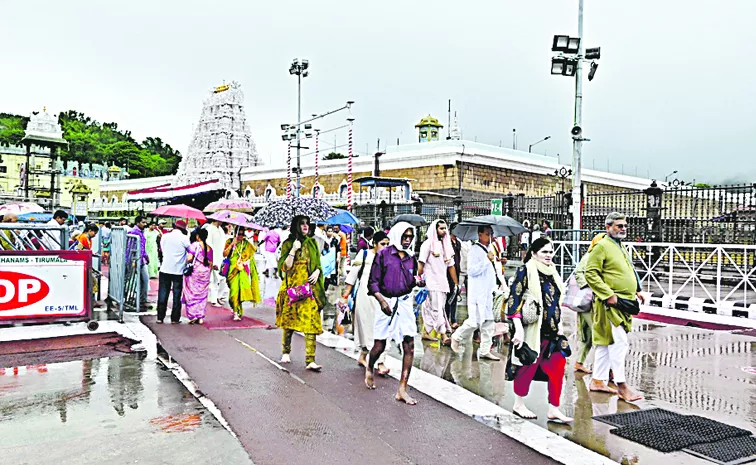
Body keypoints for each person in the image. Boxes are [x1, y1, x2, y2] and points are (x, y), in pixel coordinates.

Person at [507, 237, 572, 423]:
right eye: (544, 252)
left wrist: (559, 323)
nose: (549, 255)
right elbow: (514, 300)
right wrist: (518, 330)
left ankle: (554, 408)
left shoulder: (553, 273)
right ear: (534, 253)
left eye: (551, 251)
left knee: (558, 367)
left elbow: (557, 300)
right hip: (532, 330)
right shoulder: (525, 270)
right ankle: (518, 403)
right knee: (527, 367)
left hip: (552, 332)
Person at [584, 212, 644, 402]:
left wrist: (637, 289)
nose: (623, 229)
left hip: (623, 301)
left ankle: (597, 380)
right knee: (619, 343)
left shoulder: (619, 246)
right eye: (619, 226)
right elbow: (590, 273)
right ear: (608, 227)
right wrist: (607, 294)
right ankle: (621, 385)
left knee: (605, 342)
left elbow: (627, 269)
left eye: (625, 225)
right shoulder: (601, 246)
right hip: (611, 304)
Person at [366, 221, 425, 404]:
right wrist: (382, 301)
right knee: (380, 345)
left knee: (409, 344)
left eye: (410, 237)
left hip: (405, 303)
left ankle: (402, 389)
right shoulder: (383, 255)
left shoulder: (411, 258)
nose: (407, 240)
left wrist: (417, 282)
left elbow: (411, 279)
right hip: (386, 302)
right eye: (404, 236)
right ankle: (369, 366)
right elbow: (372, 283)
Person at [276, 216, 326, 371]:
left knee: (311, 323)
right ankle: (286, 351)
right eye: (302, 224)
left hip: (309, 289)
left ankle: (310, 360)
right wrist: (293, 250)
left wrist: (317, 272)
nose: (305, 226)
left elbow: (318, 264)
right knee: (289, 321)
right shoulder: (288, 244)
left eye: (307, 223)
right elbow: (285, 268)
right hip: (292, 288)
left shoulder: (312, 243)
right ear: (296, 226)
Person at [339, 231, 391, 374]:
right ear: (374, 243)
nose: (385, 247)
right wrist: (345, 296)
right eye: (382, 244)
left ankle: (381, 362)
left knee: (382, 329)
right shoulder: (365, 255)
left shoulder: (389, 258)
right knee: (367, 329)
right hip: (365, 298)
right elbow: (352, 277)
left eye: (387, 244)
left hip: (383, 300)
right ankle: (364, 356)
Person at [450, 224, 501, 360]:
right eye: (487, 234)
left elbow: (490, 270)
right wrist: (486, 260)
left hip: (488, 292)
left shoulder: (489, 249)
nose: (490, 237)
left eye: (491, 233)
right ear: (480, 235)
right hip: (477, 293)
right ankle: (456, 337)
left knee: (488, 323)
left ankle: (485, 350)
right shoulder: (474, 250)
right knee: (474, 322)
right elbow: (471, 271)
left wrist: (498, 261)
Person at [417, 219, 458, 345]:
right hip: (430, 282)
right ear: (435, 230)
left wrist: (456, 284)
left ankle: (426, 333)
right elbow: (421, 263)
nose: (444, 231)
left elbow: (451, 266)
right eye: (441, 228)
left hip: (442, 282)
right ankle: (444, 335)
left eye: (445, 228)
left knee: (436, 308)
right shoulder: (427, 244)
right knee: (436, 309)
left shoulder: (447, 246)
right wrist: (419, 278)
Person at [572, 233, 606, 374]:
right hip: (588, 302)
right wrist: (589, 288)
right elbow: (578, 272)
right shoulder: (590, 256)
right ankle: (606, 370)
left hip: (595, 301)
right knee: (598, 332)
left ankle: (579, 362)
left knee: (589, 334)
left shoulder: (601, 257)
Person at [157, 220, 190, 324]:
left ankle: (160, 317)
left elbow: (162, 250)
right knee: (176, 295)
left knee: (163, 293)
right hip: (178, 271)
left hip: (165, 268)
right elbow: (190, 251)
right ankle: (175, 318)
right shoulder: (185, 239)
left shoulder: (165, 236)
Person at [225, 227, 261, 321]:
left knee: (240, 291)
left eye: (242, 234)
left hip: (242, 270)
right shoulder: (229, 241)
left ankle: (236, 312)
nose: (240, 236)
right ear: (235, 234)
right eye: (239, 234)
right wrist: (232, 244)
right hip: (232, 270)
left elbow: (252, 253)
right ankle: (235, 309)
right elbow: (224, 254)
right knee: (234, 290)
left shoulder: (246, 244)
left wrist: (244, 260)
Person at [183, 228, 213, 324]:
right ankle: (200, 316)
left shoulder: (194, 245)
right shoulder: (209, 248)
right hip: (205, 274)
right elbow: (211, 264)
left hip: (195, 273)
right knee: (202, 296)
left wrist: (186, 262)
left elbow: (189, 258)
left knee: (192, 294)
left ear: (197, 236)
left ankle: (193, 315)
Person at [128, 216, 151, 311]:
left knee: (145, 279)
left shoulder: (141, 232)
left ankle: (142, 300)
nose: (145, 224)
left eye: (146, 222)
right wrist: (131, 260)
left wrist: (145, 256)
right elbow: (129, 247)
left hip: (141, 260)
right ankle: (121, 297)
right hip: (133, 260)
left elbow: (142, 247)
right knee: (127, 280)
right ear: (137, 222)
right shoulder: (133, 232)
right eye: (143, 222)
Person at [203, 219, 228, 306]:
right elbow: (208, 244)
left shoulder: (220, 229)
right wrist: (211, 260)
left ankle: (218, 296)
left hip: (221, 257)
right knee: (215, 279)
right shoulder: (210, 229)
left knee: (223, 278)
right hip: (214, 258)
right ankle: (214, 300)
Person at [446, 226, 463, 329]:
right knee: (449, 297)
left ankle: (453, 319)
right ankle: (447, 319)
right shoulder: (447, 242)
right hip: (448, 272)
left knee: (455, 296)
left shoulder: (458, 242)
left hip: (456, 271)